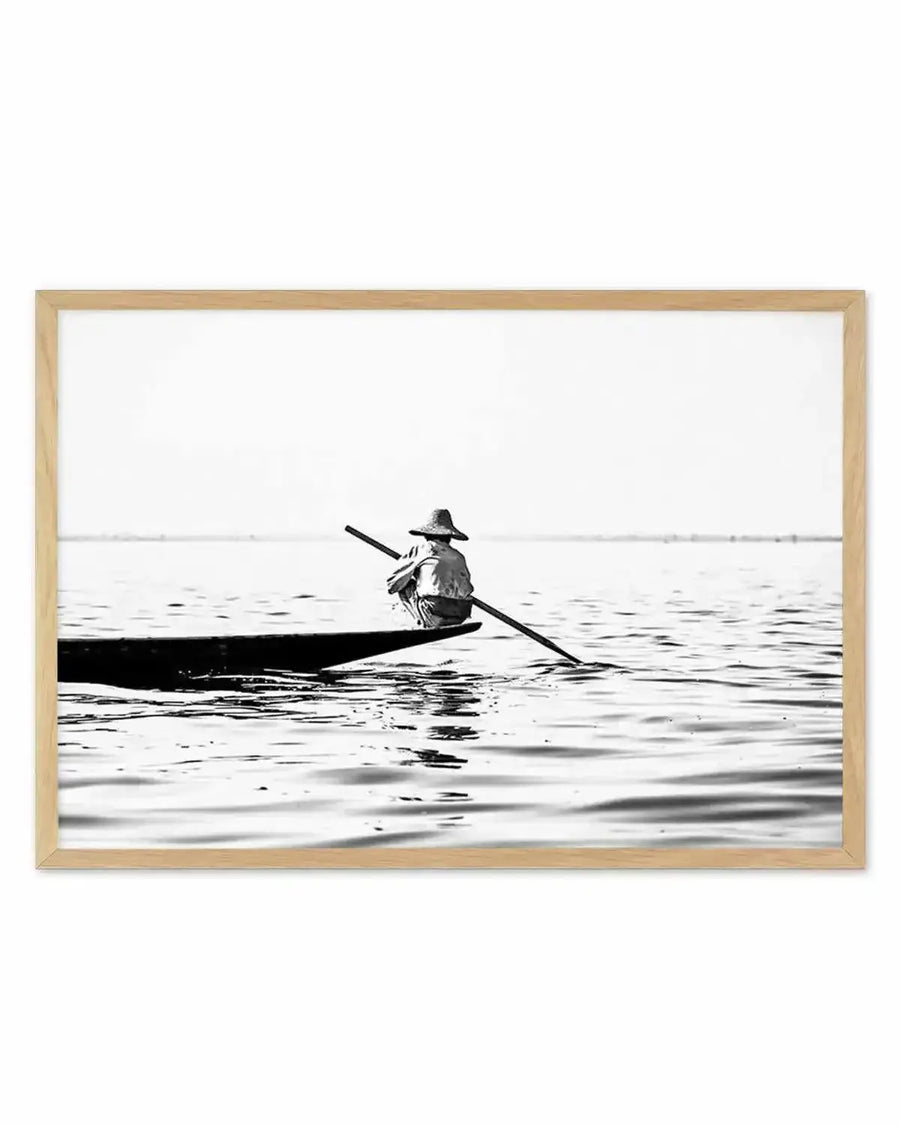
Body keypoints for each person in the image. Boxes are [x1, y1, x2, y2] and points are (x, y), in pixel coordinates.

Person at [386, 509, 474, 627]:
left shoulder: (423, 550)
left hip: (435, 612)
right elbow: (466, 589)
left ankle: (420, 622)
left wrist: (413, 574)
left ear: (426, 535)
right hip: (461, 613)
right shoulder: (459, 556)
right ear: (449, 536)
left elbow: (392, 585)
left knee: (405, 586)